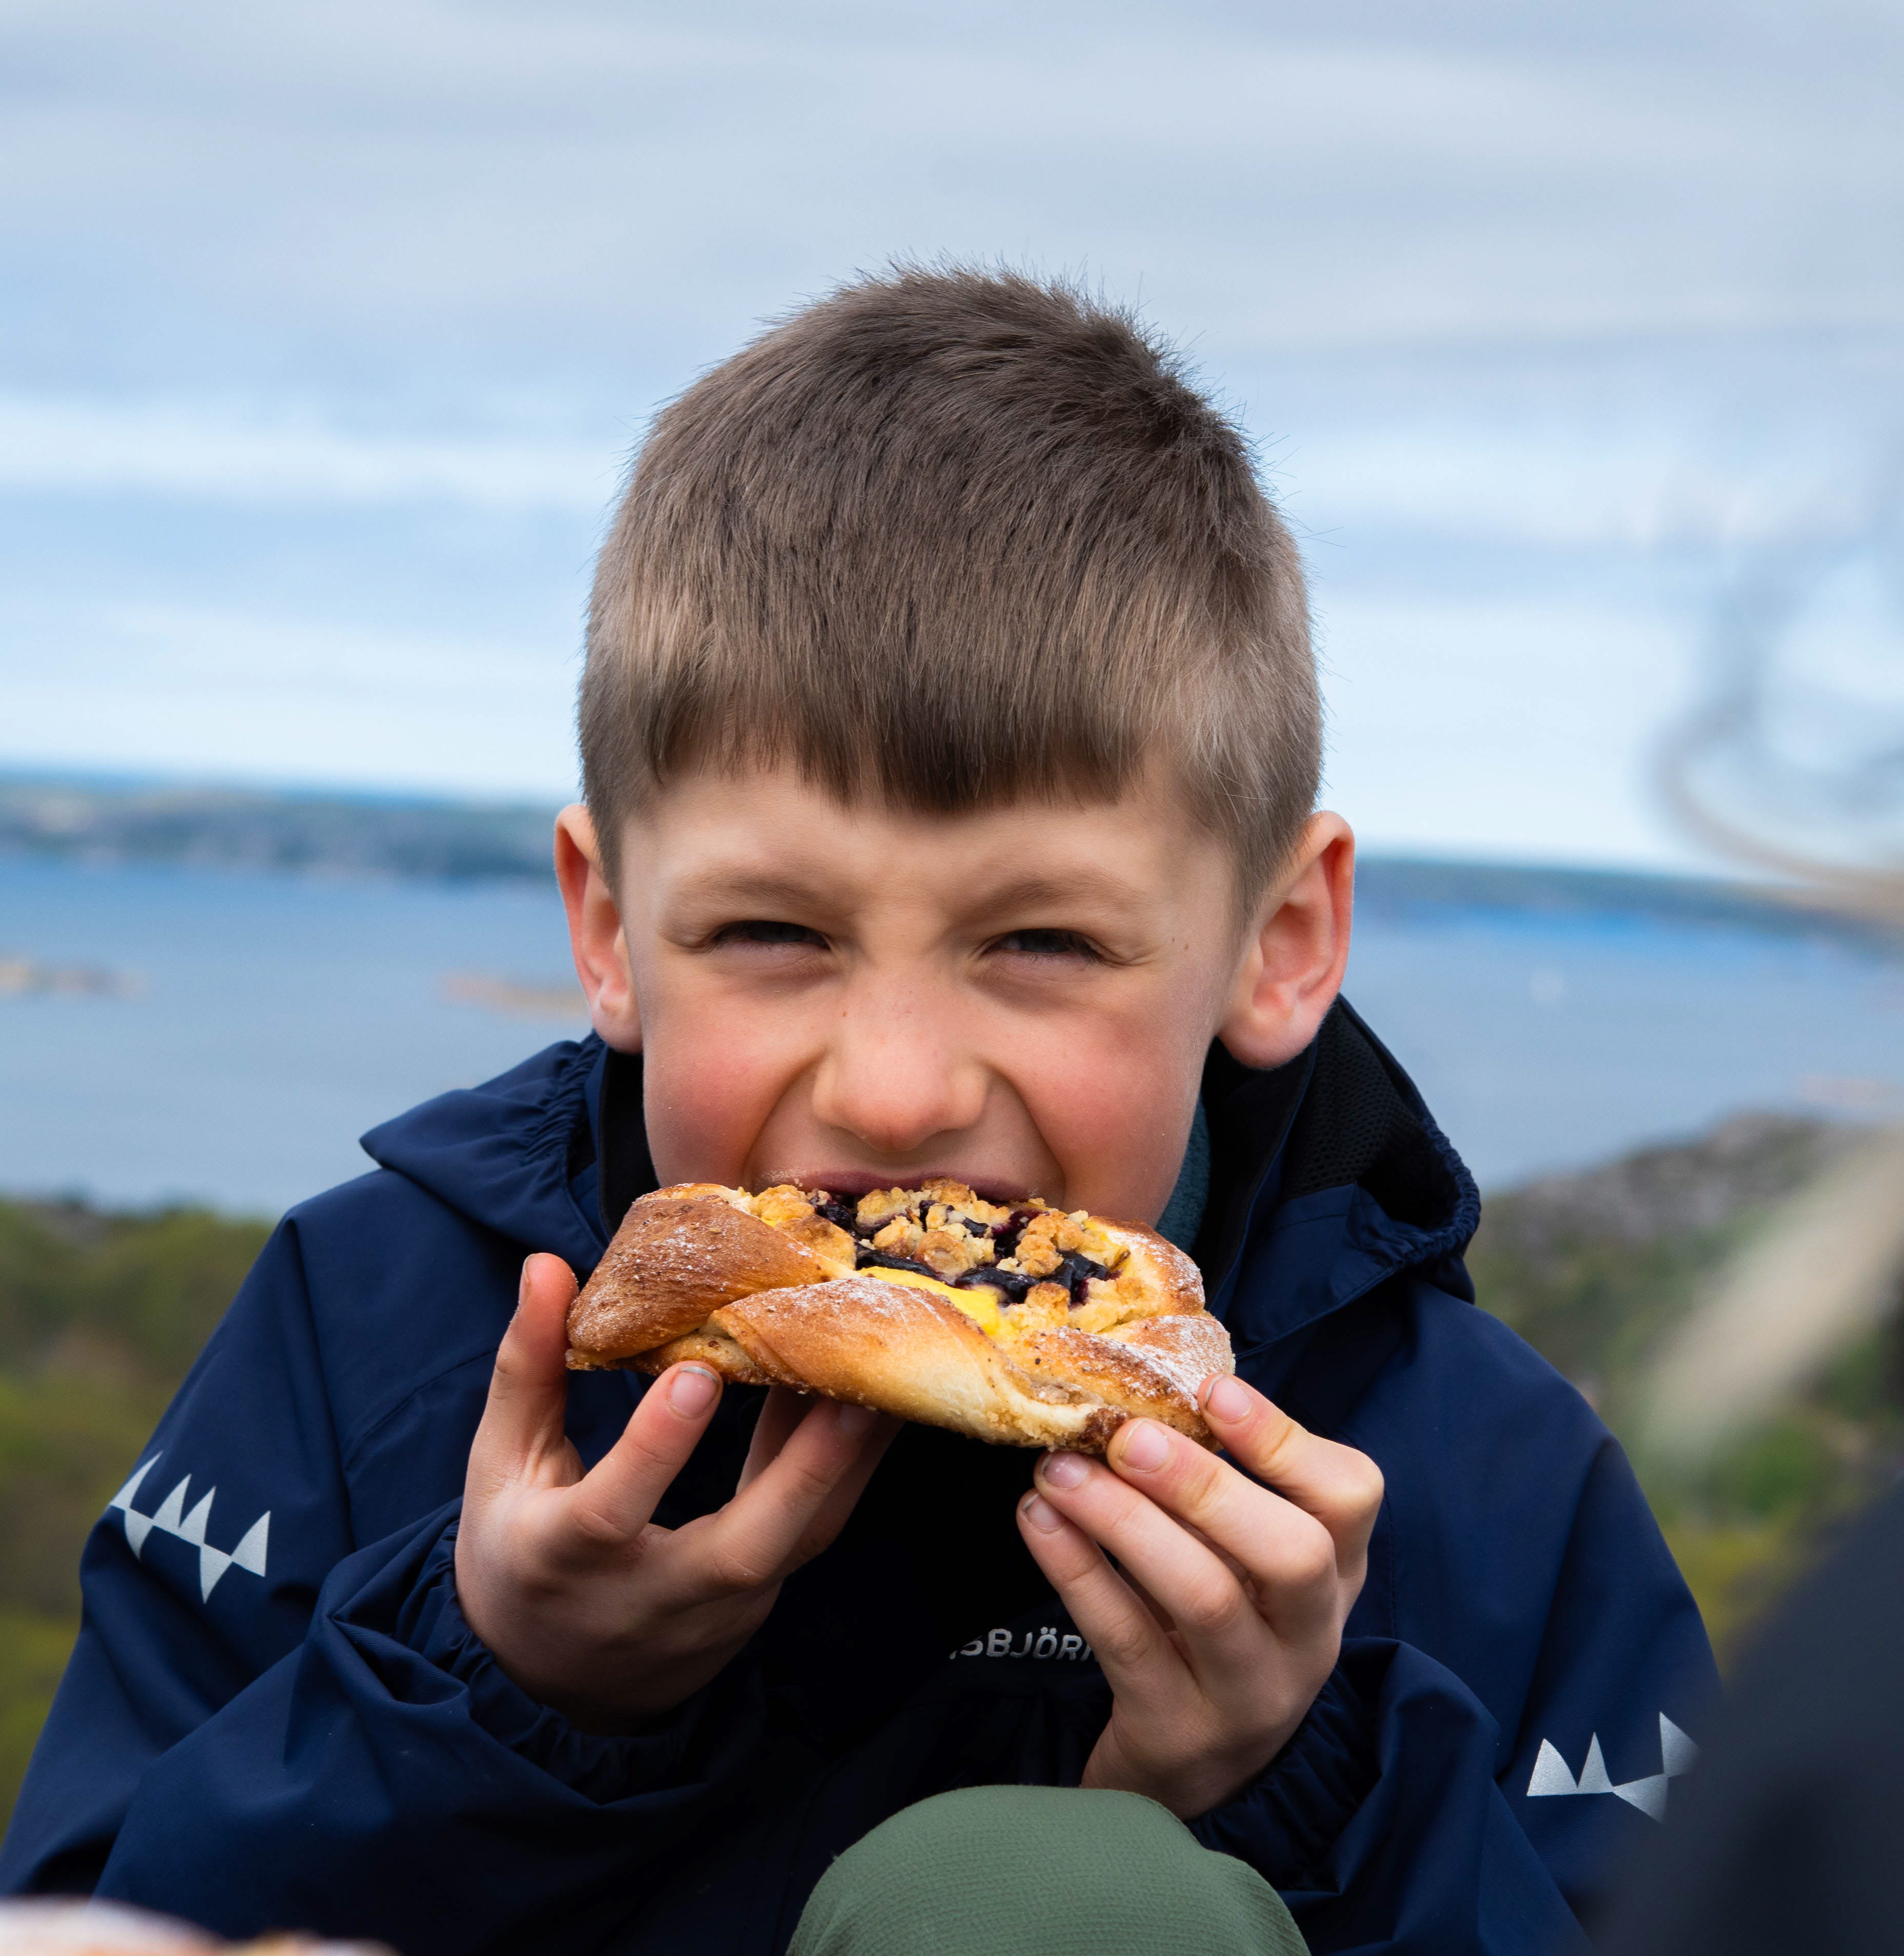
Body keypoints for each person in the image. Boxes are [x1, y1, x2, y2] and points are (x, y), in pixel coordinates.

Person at [1, 270, 1715, 1955]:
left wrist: (1302, 1787)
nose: (895, 1091)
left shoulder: (1479, 1480)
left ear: (1278, 944)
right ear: (607, 931)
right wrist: (499, 1690)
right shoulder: (369, 1335)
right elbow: (97, 1913)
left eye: (1042, 943)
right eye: (772, 935)